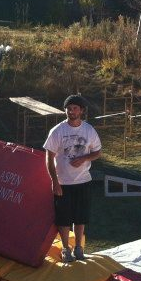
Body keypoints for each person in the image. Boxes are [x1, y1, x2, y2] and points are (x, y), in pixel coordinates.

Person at [44, 94, 102, 263]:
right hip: (63, 183)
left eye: (75, 108)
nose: (71, 111)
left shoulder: (89, 130)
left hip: (83, 180)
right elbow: (49, 157)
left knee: (80, 217)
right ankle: (65, 248)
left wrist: (84, 158)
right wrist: (54, 182)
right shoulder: (57, 131)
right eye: (68, 109)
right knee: (64, 218)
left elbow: (97, 152)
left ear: (81, 111)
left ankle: (78, 247)